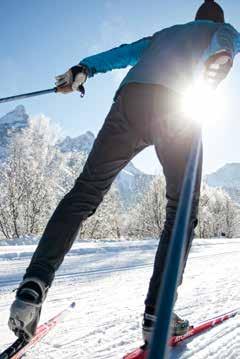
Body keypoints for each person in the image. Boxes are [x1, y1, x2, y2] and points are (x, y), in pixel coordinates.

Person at [8, 0, 238, 346]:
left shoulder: (163, 35)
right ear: (216, 21)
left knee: (84, 193)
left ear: (193, 18)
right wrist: (219, 57)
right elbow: (227, 46)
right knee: (181, 210)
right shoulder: (221, 30)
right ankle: (158, 312)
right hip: (178, 108)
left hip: (130, 104)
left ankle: (31, 290)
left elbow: (122, 53)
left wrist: (83, 69)